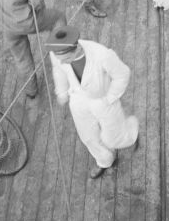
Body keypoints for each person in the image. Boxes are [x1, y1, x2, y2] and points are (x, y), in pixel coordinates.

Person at [46, 25, 139, 179]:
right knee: (88, 136)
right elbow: (58, 69)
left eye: (66, 59)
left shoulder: (102, 55)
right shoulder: (56, 54)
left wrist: (110, 97)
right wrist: (62, 91)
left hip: (103, 99)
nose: (62, 62)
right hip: (78, 99)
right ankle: (105, 161)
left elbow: (123, 74)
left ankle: (131, 134)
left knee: (113, 135)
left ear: (76, 50)